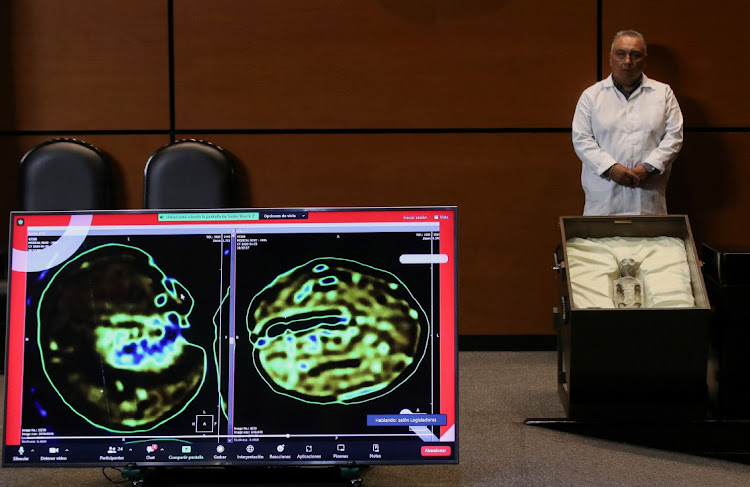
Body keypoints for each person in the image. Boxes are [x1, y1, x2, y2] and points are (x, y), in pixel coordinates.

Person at [572, 30, 683, 216]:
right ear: (610, 58)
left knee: (649, 244)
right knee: (601, 244)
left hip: (647, 198)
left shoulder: (663, 94)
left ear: (644, 60)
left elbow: (674, 136)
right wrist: (611, 169)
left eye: (635, 55)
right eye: (621, 54)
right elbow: (582, 140)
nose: (628, 61)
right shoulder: (591, 96)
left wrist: (648, 168)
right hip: (604, 199)